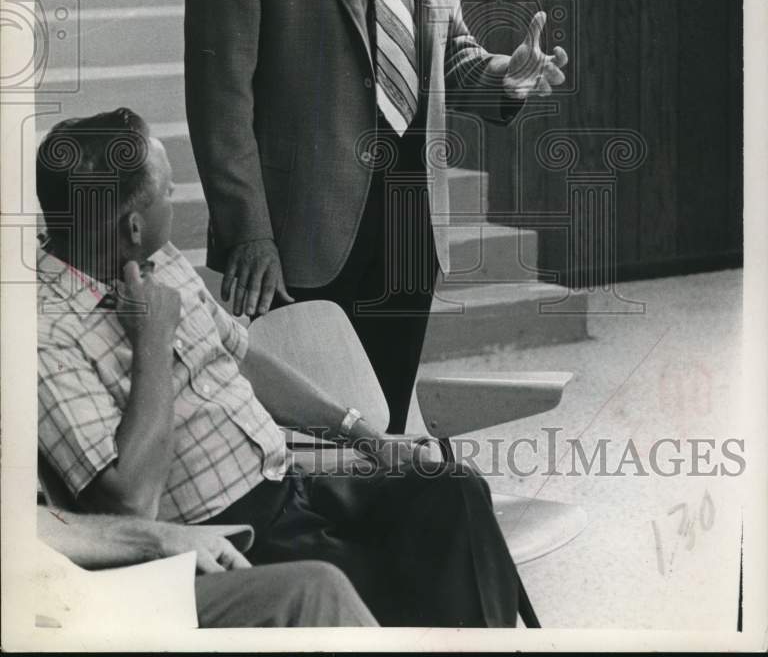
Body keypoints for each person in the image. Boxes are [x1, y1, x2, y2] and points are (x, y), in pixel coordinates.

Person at [184, 0, 569, 433]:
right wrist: (249, 235)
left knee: (386, 425)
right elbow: (220, 102)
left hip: (409, 225)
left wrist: (507, 77)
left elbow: (448, 56)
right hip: (295, 234)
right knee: (302, 437)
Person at [36, 109, 527, 628]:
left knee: (453, 490)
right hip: (226, 539)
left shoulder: (160, 259)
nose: (176, 197)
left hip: (289, 489)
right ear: (133, 226)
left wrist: (363, 436)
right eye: (168, 193)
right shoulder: (46, 338)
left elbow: (242, 356)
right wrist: (153, 342)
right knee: (400, 581)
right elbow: (131, 504)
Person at [37, 505, 377, 628]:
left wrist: (159, 538)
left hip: (64, 571)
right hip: (43, 604)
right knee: (312, 592)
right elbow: (132, 499)